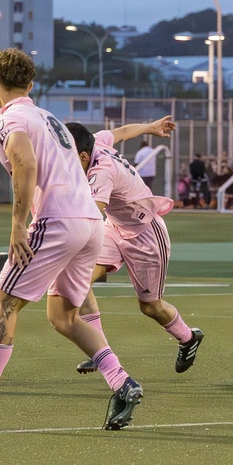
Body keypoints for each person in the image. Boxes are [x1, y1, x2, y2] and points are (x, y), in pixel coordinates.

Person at [0, 48, 143, 430]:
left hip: (58, 222)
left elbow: (24, 163)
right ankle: (122, 383)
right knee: (64, 316)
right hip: (91, 224)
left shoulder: (9, 119)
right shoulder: (50, 119)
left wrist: (16, 224)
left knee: (1, 307)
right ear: (31, 85)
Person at [64, 118, 205, 376]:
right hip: (115, 228)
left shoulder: (100, 171)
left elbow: (91, 217)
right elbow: (121, 132)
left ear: (84, 155)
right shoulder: (94, 142)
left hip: (145, 235)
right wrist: (150, 127)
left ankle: (188, 338)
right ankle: (99, 351)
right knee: (78, 280)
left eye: (68, 157)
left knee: (150, 306)